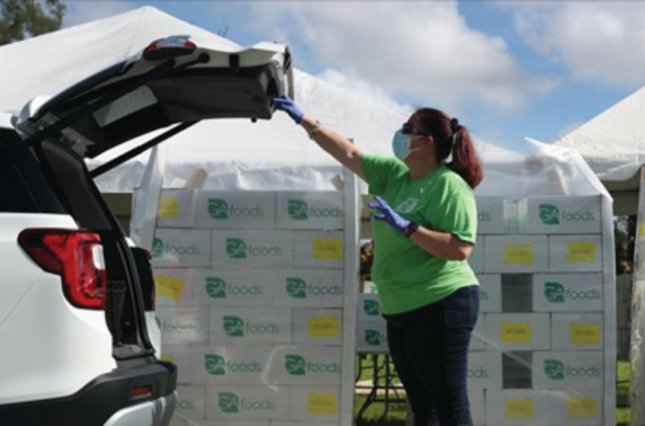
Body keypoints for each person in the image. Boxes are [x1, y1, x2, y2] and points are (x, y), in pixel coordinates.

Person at [273, 94, 483, 426]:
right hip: (399, 306)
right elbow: (350, 153)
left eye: (407, 128)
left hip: (440, 303)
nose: (400, 133)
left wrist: (408, 227)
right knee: (421, 406)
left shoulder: (449, 186)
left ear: (425, 141)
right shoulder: (394, 175)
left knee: (449, 404)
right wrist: (304, 120)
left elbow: (459, 248)